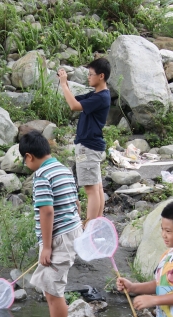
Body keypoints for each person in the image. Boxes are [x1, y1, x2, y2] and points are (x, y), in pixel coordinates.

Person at [20, 130, 83, 317]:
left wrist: (46, 247)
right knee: (50, 286)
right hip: (72, 231)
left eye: (24, 160)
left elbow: (47, 211)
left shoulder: (42, 175)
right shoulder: (63, 169)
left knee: (54, 291)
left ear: (29, 156)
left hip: (58, 238)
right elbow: (75, 201)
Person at [57, 57, 111, 224]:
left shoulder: (101, 97)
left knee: (91, 189)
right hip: (92, 145)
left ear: (101, 76)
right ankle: (97, 223)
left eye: (91, 74)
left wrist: (64, 84)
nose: (88, 77)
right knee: (97, 187)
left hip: (87, 146)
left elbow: (74, 106)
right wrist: (65, 85)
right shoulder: (96, 94)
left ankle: (90, 226)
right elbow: (75, 100)